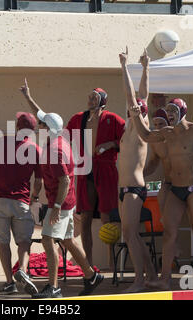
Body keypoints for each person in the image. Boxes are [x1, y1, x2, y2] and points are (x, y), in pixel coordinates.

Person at [19, 78, 103, 298]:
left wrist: (56, 207)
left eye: (42, 124)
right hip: (66, 201)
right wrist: (29, 97)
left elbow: (65, 181)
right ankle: (91, 276)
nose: (39, 125)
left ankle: (53, 288)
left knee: (48, 239)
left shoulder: (55, 150)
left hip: (62, 203)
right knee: (67, 240)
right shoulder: (60, 137)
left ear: (49, 129)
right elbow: (42, 114)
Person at [130, 95, 193, 290]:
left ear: (182, 111)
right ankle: (165, 278)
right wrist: (135, 116)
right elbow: (146, 135)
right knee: (169, 233)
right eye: (169, 111)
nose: (170, 115)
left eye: (173, 111)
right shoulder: (167, 133)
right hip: (175, 189)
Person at [0, 112, 42, 295]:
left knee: (3, 242)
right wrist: (35, 197)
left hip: (0, 200)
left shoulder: (3, 142)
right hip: (22, 201)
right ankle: (23, 270)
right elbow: (39, 180)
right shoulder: (35, 149)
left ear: (17, 127)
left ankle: (10, 282)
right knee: (24, 241)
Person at [66, 87, 125, 267]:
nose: (90, 100)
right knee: (85, 216)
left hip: (106, 169)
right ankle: (88, 263)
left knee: (107, 216)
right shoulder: (78, 118)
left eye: (94, 97)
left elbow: (128, 140)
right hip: (85, 169)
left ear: (103, 100)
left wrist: (110, 144)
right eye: (89, 96)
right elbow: (64, 138)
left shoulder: (113, 119)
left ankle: (111, 262)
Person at [117, 48, 157, 293]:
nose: (129, 108)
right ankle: (151, 276)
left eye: (133, 108)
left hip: (133, 188)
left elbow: (134, 98)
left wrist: (123, 67)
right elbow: (143, 95)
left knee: (130, 234)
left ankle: (139, 281)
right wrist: (145, 68)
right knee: (133, 234)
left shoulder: (140, 127)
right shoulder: (133, 127)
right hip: (127, 189)